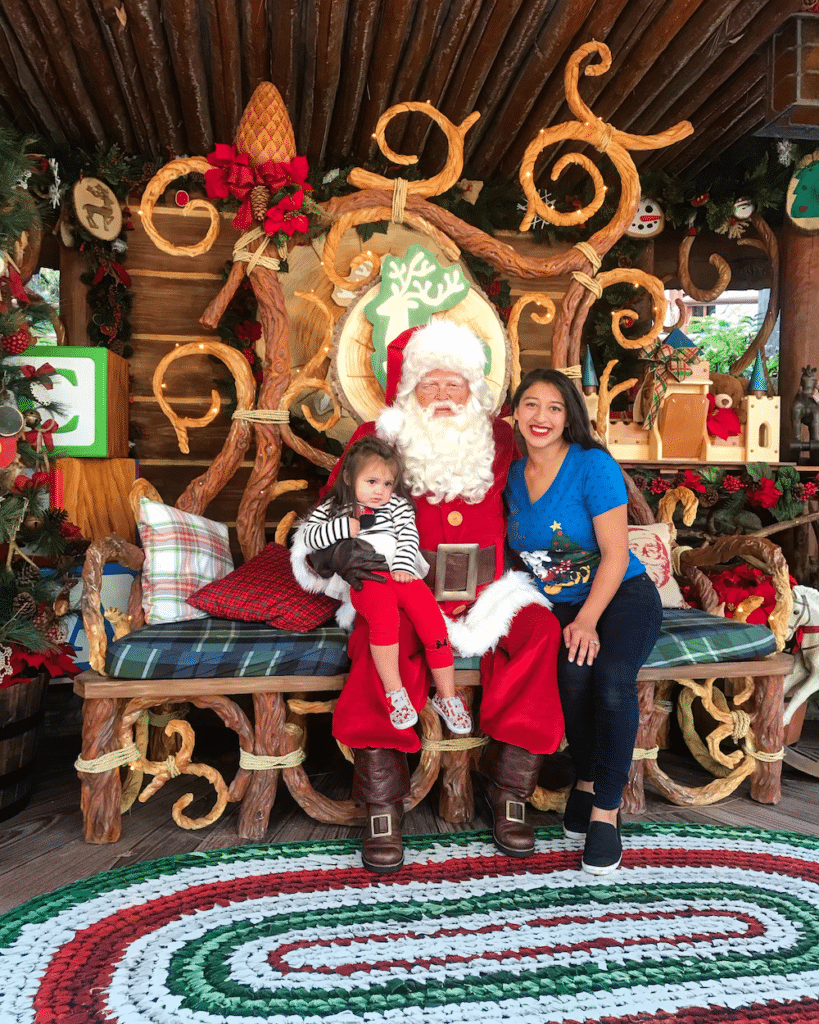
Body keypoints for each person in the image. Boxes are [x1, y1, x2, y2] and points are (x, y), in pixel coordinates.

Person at [293, 319, 564, 873]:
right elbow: (330, 511)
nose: (443, 396)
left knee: (541, 631)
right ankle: (382, 805)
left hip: (490, 593)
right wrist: (334, 555)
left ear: (475, 389)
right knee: (376, 640)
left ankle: (510, 788)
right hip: (402, 586)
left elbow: (560, 463)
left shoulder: (503, 438)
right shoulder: (379, 435)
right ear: (409, 389)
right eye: (430, 384)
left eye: (455, 384)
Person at [506, 368, 663, 875]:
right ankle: (589, 778)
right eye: (531, 405)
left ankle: (605, 810)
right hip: (562, 606)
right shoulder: (511, 476)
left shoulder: (592, 465)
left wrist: (590, 619)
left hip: (621, 597)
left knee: (613, 679)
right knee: (571, 675)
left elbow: (616, 556)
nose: (542, 417)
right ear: (515, 413)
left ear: (570, 415)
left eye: (554, 407)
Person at [300, 435, 472, 735]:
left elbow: (408, 536)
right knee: (385, 619)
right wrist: (341, 528)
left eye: (387, 484)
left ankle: (447, 695)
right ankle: (395, 693)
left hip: (401, 574)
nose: (380, 491)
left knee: (433, 625)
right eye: (371, 482)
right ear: (350, 477)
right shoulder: (336, 507)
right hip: (368, 577)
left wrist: (405, 565)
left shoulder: (398, 507)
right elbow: (308, 538)